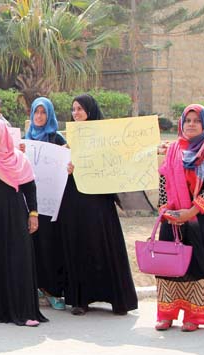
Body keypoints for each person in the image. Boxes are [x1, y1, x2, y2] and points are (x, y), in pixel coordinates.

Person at [55, 94, 139, 315]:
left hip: (99, 201)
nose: (76, 113)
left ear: (90, 111)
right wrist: (67, 164)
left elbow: (114, 162)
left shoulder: (104, 137)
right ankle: (81, 300)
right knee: (79, 245)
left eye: (80, 109)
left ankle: (116, 299)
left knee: (102, 244)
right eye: (73, 110)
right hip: (75, 200)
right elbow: (61, 167)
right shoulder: (70, 140)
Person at [155, 104, 204, 332]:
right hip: (173, 217)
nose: (191, 124)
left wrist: (191, 212)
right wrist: (165, 209)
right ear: (182, 123)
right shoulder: (174, 149)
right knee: (168, 264)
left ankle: (194, 315)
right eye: (188, 120)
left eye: (197, 120)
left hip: (201, 217)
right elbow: (164, 180)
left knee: (198, 263)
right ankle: (166, 314)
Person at [0, 118, 47, 327]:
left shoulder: (19, 159)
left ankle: (23, 311)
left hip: (14, 216)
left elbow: (30, 189)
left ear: (3, 134)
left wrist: (33, 214)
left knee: (18, 260)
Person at [25, 97, 67, 310]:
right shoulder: (26, 139)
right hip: (30, 204)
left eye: (43, 112)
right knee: (31, 246)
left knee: (50, 246)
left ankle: (52, 290)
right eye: (36, 112)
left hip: (51, 205)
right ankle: (34, 287)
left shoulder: (57, 139)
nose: (39, 116)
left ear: (49, 115)